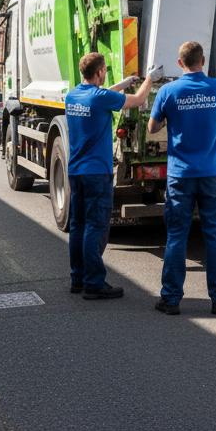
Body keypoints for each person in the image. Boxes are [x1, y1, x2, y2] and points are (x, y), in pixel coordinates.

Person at [148, 41, 216, 316]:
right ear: (203, 60)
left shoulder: (167, 91)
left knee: (176, 236)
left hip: (180, 175)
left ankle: (171, 299)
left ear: (179, 63)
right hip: (212, 174)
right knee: (214, 235)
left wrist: (171, 117)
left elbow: (152, 128)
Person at [65, 52, 158, 300]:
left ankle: (78, 279)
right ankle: (94, 282)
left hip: (76, 172)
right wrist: (151, 78)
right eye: (104, 70)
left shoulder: (73, 94)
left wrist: (125, 83)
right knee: (96, 226)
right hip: (97, 172)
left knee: (78, 225)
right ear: (100, 72)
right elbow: (138, 100)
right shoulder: (99, 98)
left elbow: (105, 95)